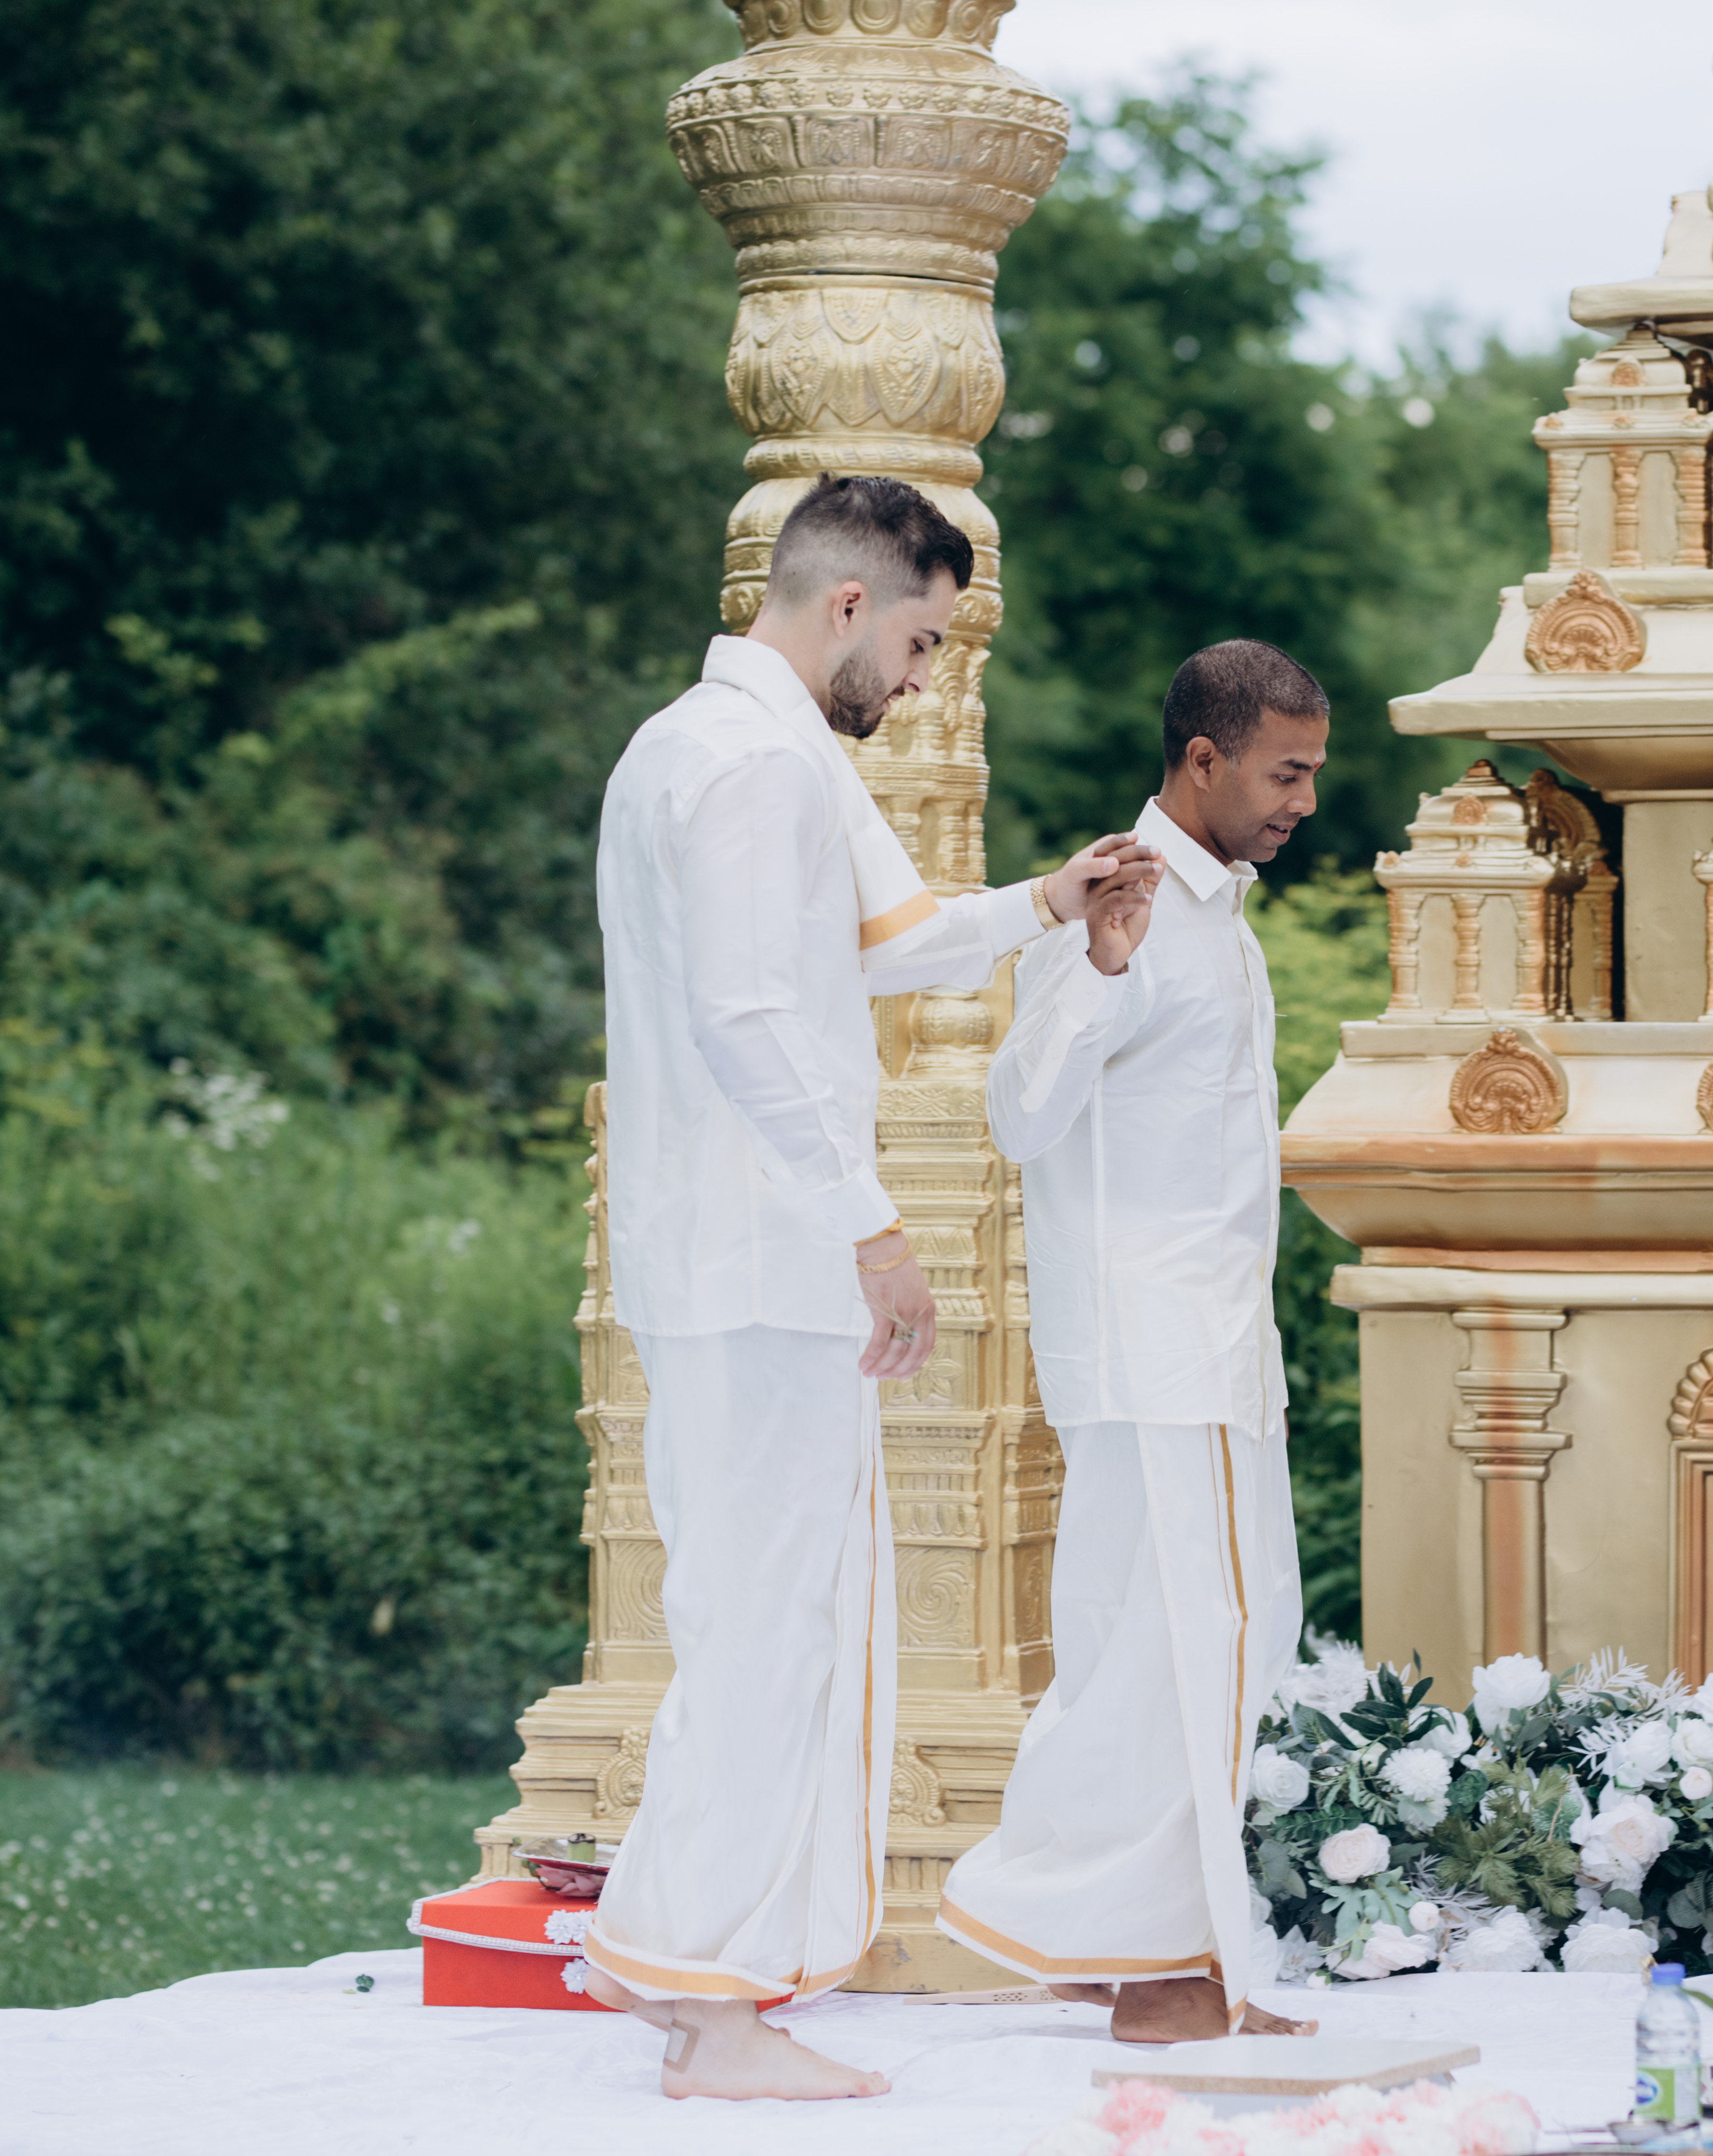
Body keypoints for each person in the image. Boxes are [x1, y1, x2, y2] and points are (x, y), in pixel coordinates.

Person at [577, 474, 1159, 2101]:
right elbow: (751, 1018)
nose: (917, 680)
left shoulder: (693, 744)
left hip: (717, 1248)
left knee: (749, 1609)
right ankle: (714, 2007)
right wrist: (871, 1227)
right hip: (766, 1250)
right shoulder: (759, 765)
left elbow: (870, 949)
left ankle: (675, 1956)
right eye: (916, 641)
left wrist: (1045, 901)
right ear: (847, 602)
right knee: (774, 1623)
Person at [935, 640, 1332, 2044]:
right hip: (1160, 1349)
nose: (1302, 802)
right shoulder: (1118, 902)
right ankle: (1164, 1966)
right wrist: (1102, 967)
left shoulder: (1215, 912)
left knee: (1159, 1644)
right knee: (1198, 1642)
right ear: (1203, 759)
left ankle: (1091, 1930)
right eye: (1284, 773)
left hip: (1197, 1344)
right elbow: (1018, 1114)